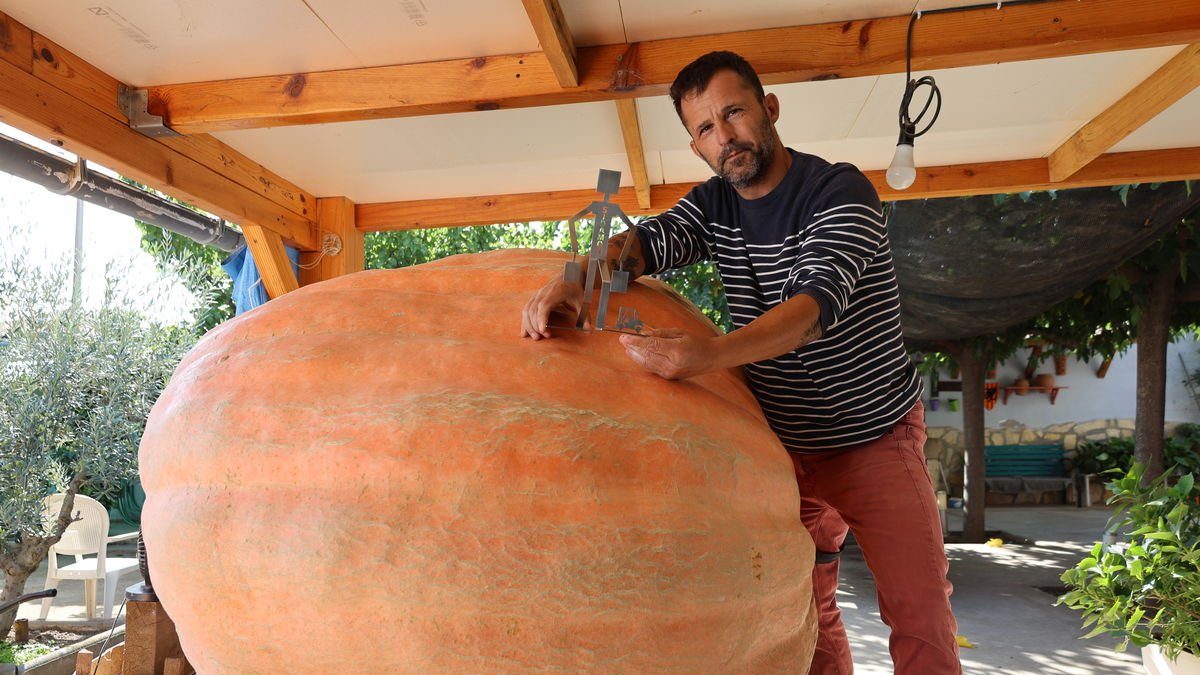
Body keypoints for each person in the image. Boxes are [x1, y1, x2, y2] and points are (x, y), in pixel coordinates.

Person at [520, 50, 960, 675]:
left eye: (733, 113)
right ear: (695, 146)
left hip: (873, 441)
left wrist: (711, 355)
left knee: (917, 613)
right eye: (704, 128)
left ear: (768, 110)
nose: (724, 137)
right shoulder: (714, 205)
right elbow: (647, 241)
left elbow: (814, 307)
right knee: (805, 607)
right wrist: (580, 277)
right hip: (783, 452)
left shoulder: (840, 190)